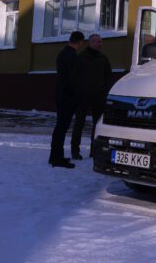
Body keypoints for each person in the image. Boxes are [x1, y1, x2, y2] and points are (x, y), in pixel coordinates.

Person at [72, 33, 114, 160]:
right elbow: (75, 77)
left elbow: (108, 77)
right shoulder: (80, 58)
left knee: (98, 125)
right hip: (83, 96)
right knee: (79, 123)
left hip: (99, 97)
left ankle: (94, 151)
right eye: (97, 42)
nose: (100, 44)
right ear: (90, 43)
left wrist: (106, 93)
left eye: (101, 42)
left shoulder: (103, 58)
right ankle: (75, 151)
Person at [48, 31, 86, 169]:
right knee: (62, 128)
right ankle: (57, 159)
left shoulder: (62, 54)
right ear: (80, 42)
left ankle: (55, 156)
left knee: (60, 127)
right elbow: (74, 80)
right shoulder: (73, 57)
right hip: (68, 97)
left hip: (61, 95)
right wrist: (78, 96)